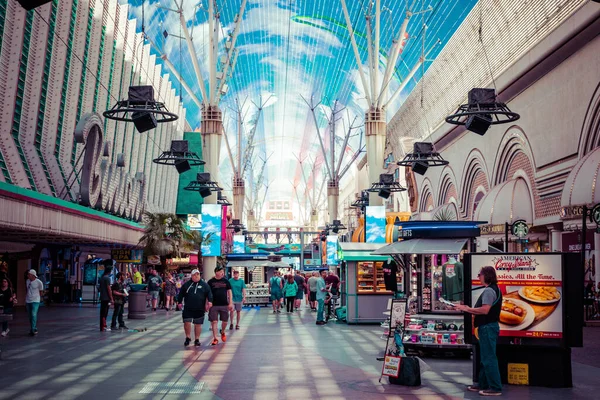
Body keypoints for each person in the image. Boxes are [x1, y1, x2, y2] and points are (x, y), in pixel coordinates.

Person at [455, 266, 502, 397]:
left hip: (487, 327)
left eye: (480, 274)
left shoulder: (488, 291)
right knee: (485, 357)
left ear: (486, 275)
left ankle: (495, 387)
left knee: (489, 358)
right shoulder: (495, 289)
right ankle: (483, 384)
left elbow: (485, 310)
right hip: (488, 327)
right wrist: (466, 308)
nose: (478, 277)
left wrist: (467, 309)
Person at [178, 269, 212, 347]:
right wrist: (179, 302)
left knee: (198, 324)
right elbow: (181, 294)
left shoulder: (204, 285)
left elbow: (209, 293)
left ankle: (197, 339)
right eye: (194, 275)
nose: (196, 276)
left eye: (198, 274)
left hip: (199, 308)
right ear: (191, 276)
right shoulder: (186, 285)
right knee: (187, 322)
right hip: (188, 307)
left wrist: (210, 301)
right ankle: (188, 337)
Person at [207, 266, 233, 346]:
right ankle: (215, 338)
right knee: (214, 322)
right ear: (216, 272)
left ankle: (223, 331)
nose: (222, 273)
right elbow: (207, 293)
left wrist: (230, 302)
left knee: (225, 321)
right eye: (221, 271)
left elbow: (229, 292)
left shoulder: (226, 281)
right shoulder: (210, 282)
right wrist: (207, 303)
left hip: (224, 304)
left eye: (223, 271)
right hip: (213, 305)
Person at [25, 269, 44, 336]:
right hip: (28, 300)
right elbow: (27, 289)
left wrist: (40, 299)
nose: (28, 276)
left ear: (32, 275)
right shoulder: (27, 281)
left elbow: (41, 291)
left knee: (33, 314)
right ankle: (34, 327)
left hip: (35, 300)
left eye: (29, 274)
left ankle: (33, 329)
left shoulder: (39, 282)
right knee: (30, 315)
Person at [99, 262, 114, 332]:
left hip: (102, 297)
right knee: (105, 313)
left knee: (102, 313)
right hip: (106, 298)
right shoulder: (107, 278)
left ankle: (102, 326)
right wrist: (111, 298)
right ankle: (104, 326)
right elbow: (109, 289)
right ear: (109, 271)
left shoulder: (102, 278)